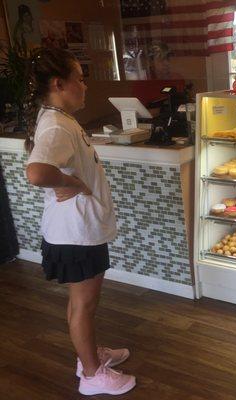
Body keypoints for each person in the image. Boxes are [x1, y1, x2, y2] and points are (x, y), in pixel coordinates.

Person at [24, 47, 136, 396]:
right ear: (59, 83)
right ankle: (91, 374)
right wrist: (71, 183)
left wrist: (71, 182)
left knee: (83, 303)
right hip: (76, 234)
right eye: (81, 80)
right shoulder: (56, 125)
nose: (85, 87)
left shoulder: (57, 118)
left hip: (78, 231)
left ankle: (89, 355)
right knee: (84, 305)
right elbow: (37, 173)